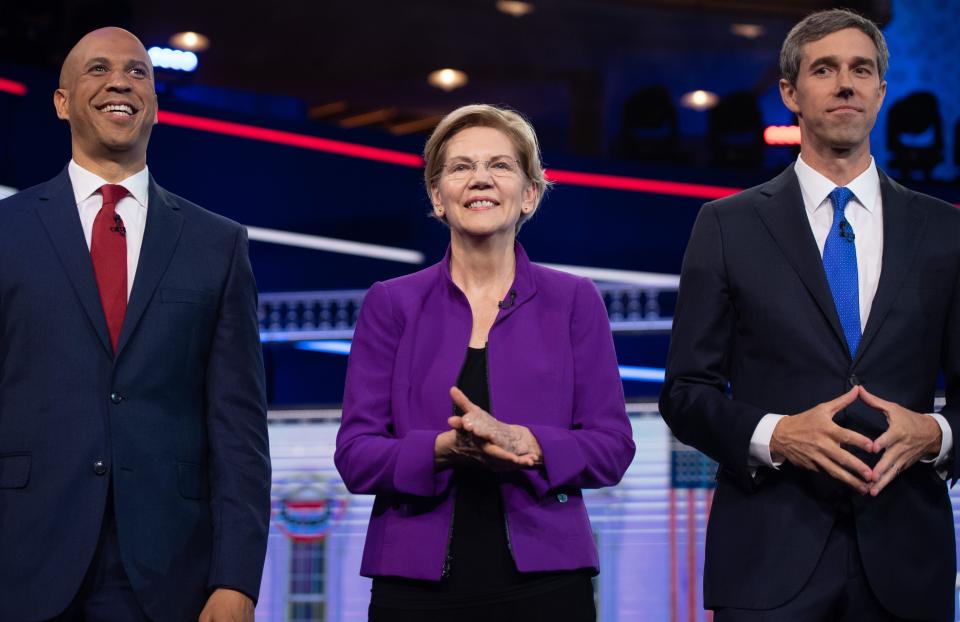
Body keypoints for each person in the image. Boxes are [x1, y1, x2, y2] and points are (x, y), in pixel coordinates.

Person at [660, 8, 958, 621]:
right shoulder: (726, 225)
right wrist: (778, 436)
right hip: (768, 557)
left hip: (907, 565)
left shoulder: (946, 231)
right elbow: (686, 394)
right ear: (791, 94)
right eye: (824, 69)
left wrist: (936, 433)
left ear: (881, 89)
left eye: (861, 69)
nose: (845, 83)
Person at [0, 28, 271, 621]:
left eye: (138, 72)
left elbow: (239, 431)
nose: (120, 81)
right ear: (62, 101)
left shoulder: (217, 244)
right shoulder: (5, 233)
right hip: (19, 564)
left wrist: (237, 580)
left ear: (153, 104)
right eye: (98, 69)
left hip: (171, 573)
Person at [335, 104, 635, 621]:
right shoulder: (391, 303)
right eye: (460, 166)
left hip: (547, 583)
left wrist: (531, 445)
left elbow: (612, 448)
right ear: (437, 197)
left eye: (500, 165)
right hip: (413, 585)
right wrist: (443, 450)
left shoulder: (574, 301)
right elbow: (356, 456)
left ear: (530, 194)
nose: (480, 179)